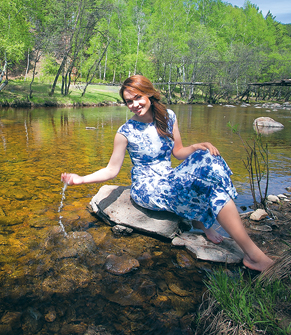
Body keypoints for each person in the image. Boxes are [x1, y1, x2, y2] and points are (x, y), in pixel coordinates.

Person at [61, 75, 274, 272]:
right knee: (205, 183)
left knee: (209, 160)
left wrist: (197, 146)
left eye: (138, 97)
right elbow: (111, 170)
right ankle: (249, 252)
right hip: (147, 187)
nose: (134, 105)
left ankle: (208, 226)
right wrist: (81, 179)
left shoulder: (168, 117)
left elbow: (178, 152)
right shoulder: (125, 132)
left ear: (149, 94)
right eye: (129, 101)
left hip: (168, 177)